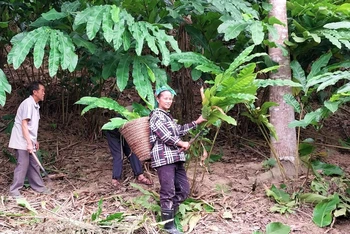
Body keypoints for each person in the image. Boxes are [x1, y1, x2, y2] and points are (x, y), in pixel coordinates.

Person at [149, 86, 206, 234]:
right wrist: (181, 143)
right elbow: (165, 135)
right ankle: (168, 225)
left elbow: (178, 130)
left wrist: (197, 122)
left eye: (170, 99)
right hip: (164, 158)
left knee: (184, 190)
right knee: (168, 191)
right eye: (165, 98)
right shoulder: (156, 115)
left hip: (176, 158)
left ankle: (167, 215)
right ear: (158, 99)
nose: (168, 101)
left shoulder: (168, 117)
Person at [9, 81, 50, 198]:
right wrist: (28, 143)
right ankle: (14, 190)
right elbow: (24, 124)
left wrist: (34, 141)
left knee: (34, 164)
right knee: (23, 164)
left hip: (28, 140)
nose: (44, 93)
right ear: (35, 92)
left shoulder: (35, 105)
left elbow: (32, 127)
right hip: (21, 140)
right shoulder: (28, 104)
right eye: (42, 91)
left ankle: (39, 187)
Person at [104, 122, 152, 188]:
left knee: (132, 152)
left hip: (127, 130)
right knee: (118, 154)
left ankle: (140, 175)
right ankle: (115, 179)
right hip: (113, 129)